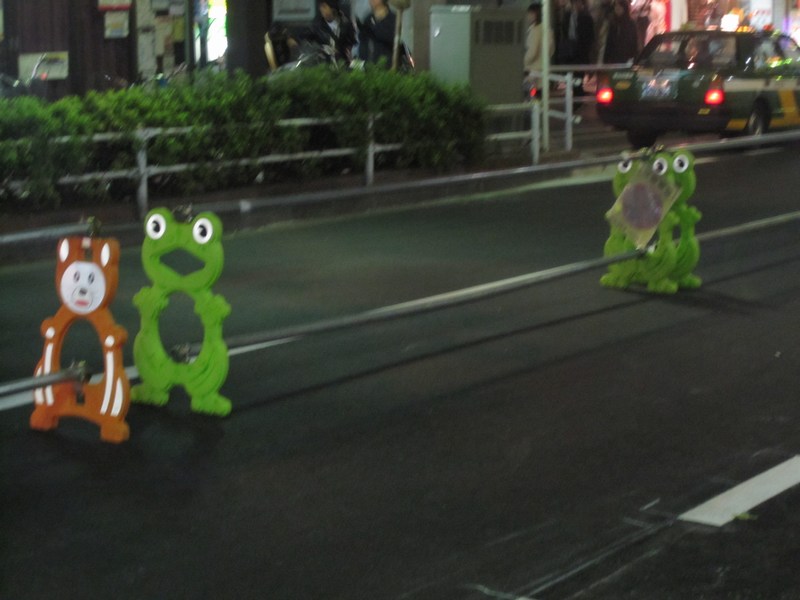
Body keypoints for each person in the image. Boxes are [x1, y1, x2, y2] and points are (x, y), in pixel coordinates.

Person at [555, 0, 594, 101]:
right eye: (574, 3)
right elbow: (564, 31)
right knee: (570, 75)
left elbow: (590, 36)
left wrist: (585, 49)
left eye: (578, 3)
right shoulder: (567, 16)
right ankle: (574, 97)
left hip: (580, 50)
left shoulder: (586, 17)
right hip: (569, 49)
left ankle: (578, 98)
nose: (576, 5)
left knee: (578, 76)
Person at [307, 0, 357, 64]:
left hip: (343, 63)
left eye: (324, 7)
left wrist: (341, 50)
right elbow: (310, 43)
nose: (321, 9)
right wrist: (322, 48)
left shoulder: (346, 25)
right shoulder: (317, 26)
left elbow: (352, 43)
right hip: (323, 64)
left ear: (332, 8)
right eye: (320, 7)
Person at [523, 3, 555, 98]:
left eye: (529, 14)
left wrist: (522, 62)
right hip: (543, 70)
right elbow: (551, 50)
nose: (528, 16)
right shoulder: (547, 29)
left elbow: (532, 52)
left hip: (532, 72)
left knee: (530, 99)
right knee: (540, 98)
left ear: (534, 14)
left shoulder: (535, 30)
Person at [357, 0, 397, 67]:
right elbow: (363, 42)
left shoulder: (392, 18)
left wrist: (374, 25)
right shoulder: (368, 19)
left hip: (387, 63)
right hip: (370, 63)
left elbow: (390, 37)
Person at [602, 0, 639, 65]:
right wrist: (606, 59)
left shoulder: (630, 24)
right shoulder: (614, 23)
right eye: (616, 7)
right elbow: (609, 42)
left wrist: (633, 57)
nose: (617, 9)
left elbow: (634, 42)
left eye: (619, 7)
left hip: (625, 57)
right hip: (613, 58)